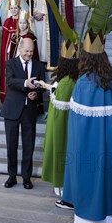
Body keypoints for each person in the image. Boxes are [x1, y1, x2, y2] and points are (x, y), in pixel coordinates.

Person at [62, 31, 112, 223]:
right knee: (111, 179)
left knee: (93, 180)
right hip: (111, 143)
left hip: (90, 146)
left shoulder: (84, 83)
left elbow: (77, 123)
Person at [0, 38, 46, 190]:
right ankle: (12, 176)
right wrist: (26, 83)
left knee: (29, 145)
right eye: (26, 51)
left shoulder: (39, 66)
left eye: (31, 52)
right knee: (11, 146)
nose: (28, 54)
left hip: (29, 111)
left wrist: (36, 93)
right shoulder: (10, 64)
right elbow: (10, 81)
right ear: (19, 49)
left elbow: (42, 86)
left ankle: (27, 178)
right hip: (12, 110)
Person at [39, 40, 79, 202]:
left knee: (59, 151)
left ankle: (61, 184)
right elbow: (59, 90)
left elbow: (60, 104)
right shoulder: (72, 79)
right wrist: (47, 86)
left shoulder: (66, 82)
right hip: (66, 124)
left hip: (60, 126)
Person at [33, 0, 60, 71]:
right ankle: (36, 62)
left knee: (45, 41)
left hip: (46, 18)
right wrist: (33, 13)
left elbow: (53, 4)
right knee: (37, 40)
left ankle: (46, 62)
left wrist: (43, 13)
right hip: (34, 18)